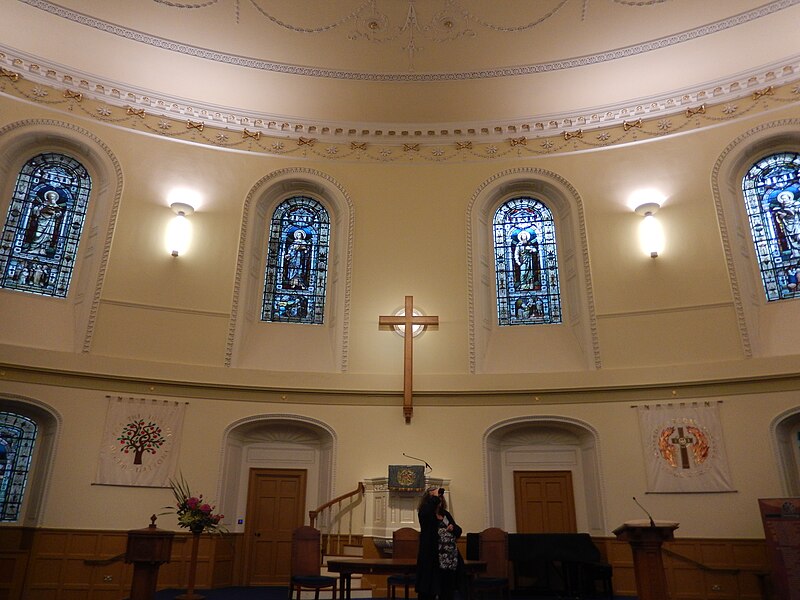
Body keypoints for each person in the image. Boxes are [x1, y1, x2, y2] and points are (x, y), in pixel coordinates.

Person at [415, 486, 464, 600]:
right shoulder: (425, 513)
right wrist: (435, 496)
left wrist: (453, 528)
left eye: (440, 498)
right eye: (436, 498)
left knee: (447, 590)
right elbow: (427, 512)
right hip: (432, 558)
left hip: (448, 559)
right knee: (428, 590)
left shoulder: (445, 514)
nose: (439, 500)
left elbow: (458, 531)